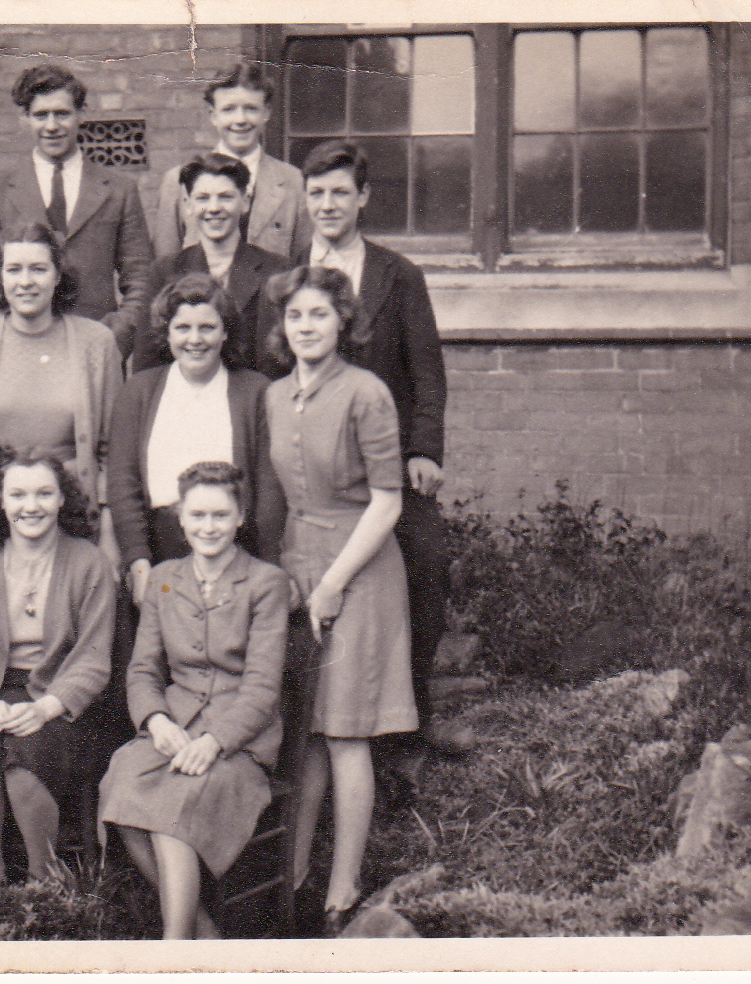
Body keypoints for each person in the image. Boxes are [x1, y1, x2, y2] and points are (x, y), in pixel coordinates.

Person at [293, 140, 462, 763]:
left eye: (341, 192)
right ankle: (311, 727)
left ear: (363, 197)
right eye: (317, 193)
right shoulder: (288, 274)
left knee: (425, 563)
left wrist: (425, 449)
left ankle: (406, 727)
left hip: (387, 463)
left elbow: (428, 372)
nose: (328, 204)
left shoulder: (397, 275)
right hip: (317, 464)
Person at [265, 266, 416, 936]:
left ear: (342, 321)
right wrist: (297, 577)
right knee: (311, 738)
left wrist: (332, 584)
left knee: (348, 733)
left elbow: (388, 501)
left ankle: (342, 890)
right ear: (283, 326)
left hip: (360, 570)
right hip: (301, 560)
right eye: (296, 316)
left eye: (319, 316)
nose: (307, 328)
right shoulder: (273, 396)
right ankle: (293, 882)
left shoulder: (367, 392)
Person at [97, 462, 289, 939]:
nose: (208, 527)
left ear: (241, 517)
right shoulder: (164, 579)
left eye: (220, 515)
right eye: (197, 514)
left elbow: (263, 688)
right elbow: (143, 670)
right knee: (120, 780)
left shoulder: (266, 583)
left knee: (173, 806)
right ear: (180, 517)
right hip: (174, 728)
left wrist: (214, 742)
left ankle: (175, 946)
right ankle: (201, 928)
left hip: (239, 743)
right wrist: (158, 721)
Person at [0, 450, 116, 883]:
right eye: (18, 494)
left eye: (45, 493)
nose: (31, 506)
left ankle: (45, 879)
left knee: (25, 767)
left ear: (63, 499)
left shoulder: (88, 562)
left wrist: (46, 708)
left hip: (65, 697)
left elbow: (94, 660)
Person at [0, 222, 123, 567]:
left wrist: (108, 533)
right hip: (6, 518)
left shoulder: (97, 343)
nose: (25, 282)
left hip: (77, 517)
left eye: (38, 269)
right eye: (14, 269)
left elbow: (112, 451)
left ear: (58, 275)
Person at [109, 273, 284, 607]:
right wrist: (138, 561)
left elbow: (269, 489)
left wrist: (269, 567)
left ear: (226, 331)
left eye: (207, 327)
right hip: (161, 549)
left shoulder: (255, 391)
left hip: (237, 549)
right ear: (166, 332)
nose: (195, 339)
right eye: (182, 328)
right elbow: (123, 481)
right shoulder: (140, 391)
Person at [0, 65, 153, 358]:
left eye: (62, 113)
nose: (51, 126)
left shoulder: (119, 190)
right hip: (21, 349)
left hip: (97, 347)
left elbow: (141, 278)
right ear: (25, 119)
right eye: (40, 115)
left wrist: (115, 336)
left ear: (81, 113)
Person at [131, 155, 289, 375]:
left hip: (252, 401)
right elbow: (146, 363)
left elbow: (279, 359)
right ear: (188, 204)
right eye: (203, 198)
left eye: (225, 197)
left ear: (245, 201)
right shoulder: (166, 270)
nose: (214, 208)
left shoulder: (276, 269)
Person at [151, 63, 310, 262]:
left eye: (251, 109)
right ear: (213, 115)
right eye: (228, 110)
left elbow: (302, 263)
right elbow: (166, 264)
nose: (240, 119)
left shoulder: (292, 181)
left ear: (266, 112)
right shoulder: (178, 180)